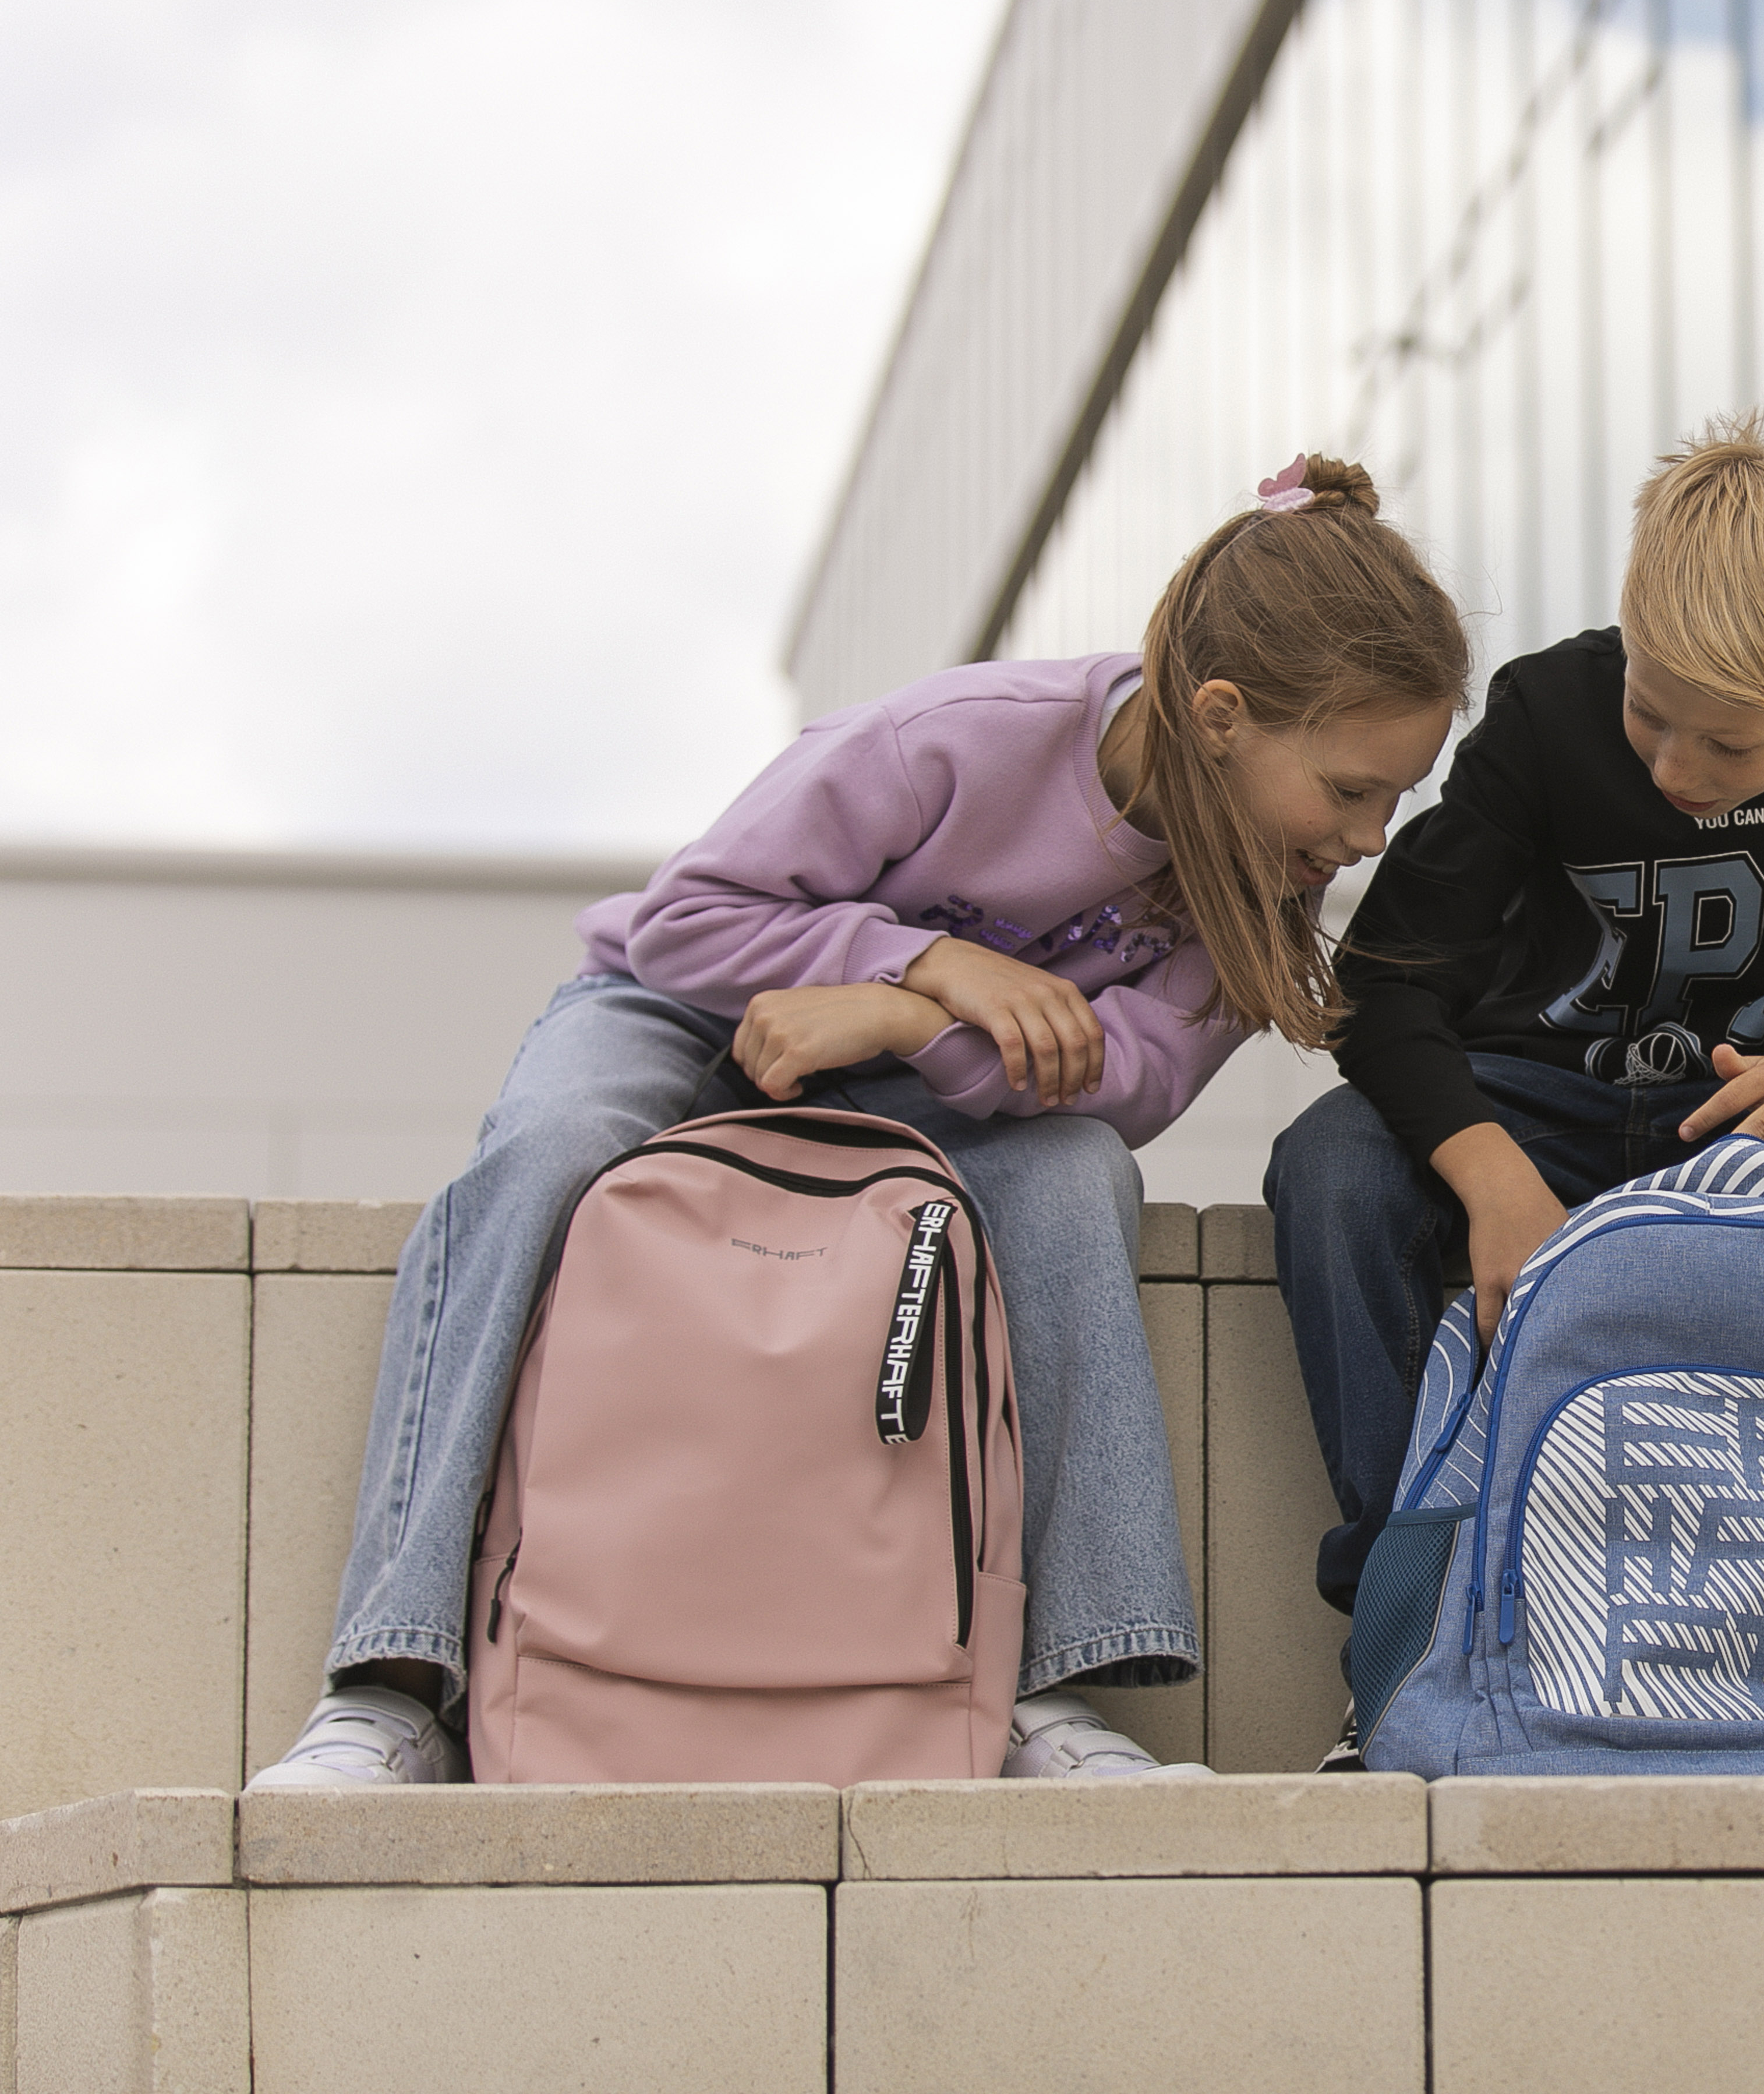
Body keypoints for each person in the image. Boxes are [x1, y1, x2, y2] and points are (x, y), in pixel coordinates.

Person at [252, 455, 1469, 1789]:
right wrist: (923, 962)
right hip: (693, 1015)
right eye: (1350, 789)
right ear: (1224, 715)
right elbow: (688, 920)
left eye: (1397, 795)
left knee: (1072, 1177)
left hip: (915, 1075)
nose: (1369, 832)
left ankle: (1053, 1692)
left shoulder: (1251, 891)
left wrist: (899, 1018)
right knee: (547, 1151)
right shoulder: (959, 736)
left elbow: (1131, 1083)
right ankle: (390, 1678)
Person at [1267, 413, 1764, 1767]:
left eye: (1728, 751)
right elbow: (1382, 983)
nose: (1673, 769)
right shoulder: (1549, 710)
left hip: (1748, 1131)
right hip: (1535, 1109)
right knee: (1333, 1166)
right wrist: (1487, 1167)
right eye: (1651, 714)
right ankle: (1409, 1624)